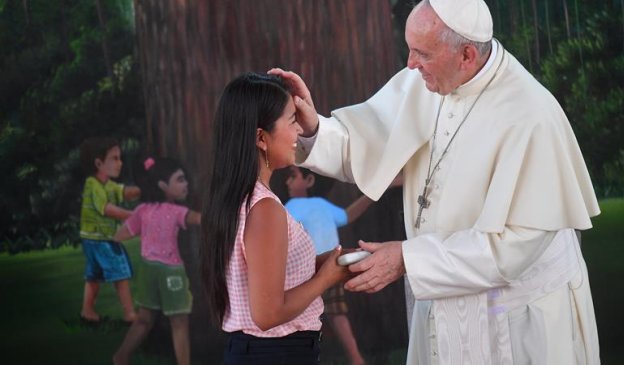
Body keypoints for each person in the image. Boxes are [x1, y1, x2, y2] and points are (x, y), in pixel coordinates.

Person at [269, 0, 602, 364]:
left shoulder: (531, 116)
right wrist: (313, 125)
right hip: (446, 306)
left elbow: (512, 249)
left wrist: (408, 259)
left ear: (467, 55)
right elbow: (364, 145)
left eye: (421, 53)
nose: (410, 64)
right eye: (409, 49)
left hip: (514, 323)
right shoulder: (423, 81)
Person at [200, 73, 350, 365]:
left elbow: (267, 277)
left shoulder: (239, 198)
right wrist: (326, 279)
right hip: (276, 354)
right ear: (260, 137)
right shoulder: (265, 208)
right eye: (293, 120)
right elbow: (268, 314)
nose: (299, 132)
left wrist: (329, 263)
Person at [112, 157, 201, 365]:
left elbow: (121, 234)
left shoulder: (143, 211)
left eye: (185, 179)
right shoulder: (177, 211)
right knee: (178, 321)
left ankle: (121, 355)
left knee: (145, 319)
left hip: (147, 269)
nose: (185, 184)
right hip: (171, 273)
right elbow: (199, 218)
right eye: (179, 180)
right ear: (162, 185)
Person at [284, 165, 373, 365]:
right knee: (332, 314)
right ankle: (355, 359)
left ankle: (355, 358)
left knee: (331, 314)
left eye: (292, 177)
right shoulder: (290, 208)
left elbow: (347, 215)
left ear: (309, 181)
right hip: (320, 269)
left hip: (322, 269)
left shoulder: (292, 208)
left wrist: (371, 195)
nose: (288, 182)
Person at [79, 137, 140, 323]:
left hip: (91, 239)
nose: (120, 163)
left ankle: (87, 310)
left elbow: (126, 192)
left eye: (120, 158)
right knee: (120, 273)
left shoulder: (109, 185)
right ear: (99, 163)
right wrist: (134, 216)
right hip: (102, 239)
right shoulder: (93, 184)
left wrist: (145, 187)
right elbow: (106, 209)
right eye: (115, 158)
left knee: (94, 276)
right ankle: (130, 314)